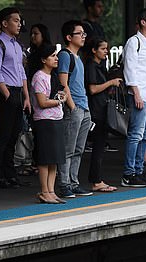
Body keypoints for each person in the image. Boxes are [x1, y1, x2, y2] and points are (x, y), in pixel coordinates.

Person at [0, 7, 31, 189]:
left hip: (18, 93)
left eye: (19, 20)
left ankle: (10, 174)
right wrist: (6, 94)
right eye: (15, 20)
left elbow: (21, 72)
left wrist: (26, 97)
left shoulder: (16, 45)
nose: (19, 24)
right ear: (5, 23)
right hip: (6, 93)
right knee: (2, 135)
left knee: (14, 135)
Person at [121, 8, 146, 187]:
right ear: (143, 22)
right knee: (135, 134)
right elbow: (129, 69)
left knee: (144, 135)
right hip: (139, 94)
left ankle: (139, 170)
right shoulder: (134, 41)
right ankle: (129, 173)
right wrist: (136, 92)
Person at [57, 20, 93, 198]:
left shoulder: (78, 57)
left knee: (78, 148)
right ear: (69, 37)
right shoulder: (65, 55)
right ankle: (64, 184)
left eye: (84, 33)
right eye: (80, 33)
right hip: (75, 107)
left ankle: (73, 182)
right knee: (68, 148)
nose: (84, 36)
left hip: (83, 106)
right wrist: (71, 106)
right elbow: (63, 83)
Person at [28, 44, 67, 204]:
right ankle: (44, 190)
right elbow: (42, 102)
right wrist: (59, 100)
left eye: (56, 55)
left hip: (56, 118)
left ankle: (51, 190)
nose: (56, 58)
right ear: (44, 59)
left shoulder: (54, 76)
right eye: (52, 56)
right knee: (44, 158)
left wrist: (60, 99)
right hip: (44, 121)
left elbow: (60, 94)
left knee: (54, 157)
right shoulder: (39, 76)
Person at [84, 36, 119, 192]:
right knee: (98, 146)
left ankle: (96, 178)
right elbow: (92, 89)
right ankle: (96, 180)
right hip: (96, 110)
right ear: (94, 50)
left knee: (100, 146)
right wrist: (110, 83)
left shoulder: (100, 65)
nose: (106, 51)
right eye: (103, 49)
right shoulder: (91, 66)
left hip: (102, 107)